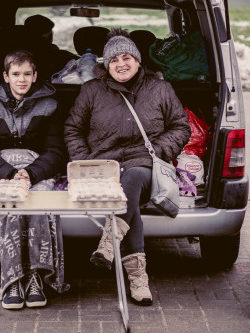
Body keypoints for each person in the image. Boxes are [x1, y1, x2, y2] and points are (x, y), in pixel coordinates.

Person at [64, 29, 191, 306]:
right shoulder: (92, 91)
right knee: (129, 202)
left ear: (137, 59)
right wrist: (86, 162)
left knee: (132, 179)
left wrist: (157, 151)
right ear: (105, 66)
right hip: (104, 165)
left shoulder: (160, 89)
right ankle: (138, 281)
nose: (121, 64)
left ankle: (108, 244)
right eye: (113, 60)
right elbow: (73, 129)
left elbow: (181, 127)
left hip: (144, 163)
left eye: (126, 57)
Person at [0, 49, 69, 309]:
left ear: (35, 75)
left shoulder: (49, 105)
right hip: (2, 170)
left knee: (39, 205)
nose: (22, 80)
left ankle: (35, 278)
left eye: (27, 74)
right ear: (5, 76)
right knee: (11, 208)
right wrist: (9, 174)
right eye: (16, 74)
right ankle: (13, 280)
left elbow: (56, 151)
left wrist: (30, 173)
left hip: (37, 169)